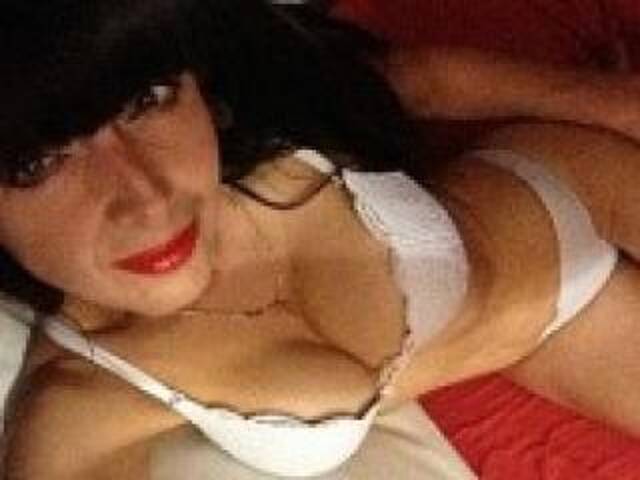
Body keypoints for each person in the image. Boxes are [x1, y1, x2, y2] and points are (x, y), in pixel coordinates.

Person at [1, 1, 640, 479]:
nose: (145, 196)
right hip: (567, 333)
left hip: (578, 185)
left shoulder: (255, 122)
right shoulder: (78, 404)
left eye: (147, 100)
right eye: (37, 163)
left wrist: (614, 103)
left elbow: (412, 77)